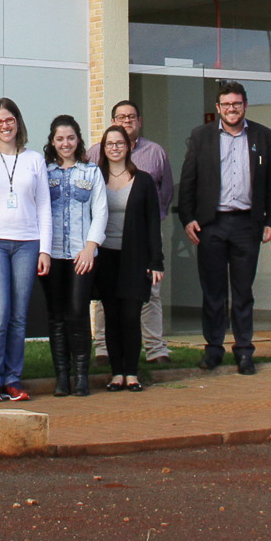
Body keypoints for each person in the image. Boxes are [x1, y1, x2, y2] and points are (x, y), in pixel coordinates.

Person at [173, 80, 271, 374]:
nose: (232, 109)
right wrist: (188, 218)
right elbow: (188, 181)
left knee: (244, 292)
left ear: (244, 105)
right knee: (213, 292)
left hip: (248, 224)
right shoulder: (201, 136)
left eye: (237, 103)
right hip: (212, 225)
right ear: (218, 108)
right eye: (226, 105)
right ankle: (214, 349)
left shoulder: (261, 135)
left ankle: (244, 351)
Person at [0, 97, 50, 403]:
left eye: (9, 120)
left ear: (18, 122)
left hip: (27, 244)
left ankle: (12, 379)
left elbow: (43, 205)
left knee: (18, 316)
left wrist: (44, 249)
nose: (5, 126)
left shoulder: (34, 160)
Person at [93, 124, 163, 390]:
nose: (114, 148)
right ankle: (116, 373)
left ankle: (132, 373)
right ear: (103, 148)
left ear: (129, 146)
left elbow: (152, 223)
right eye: (109, 144)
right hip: (105, 258)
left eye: (119, 143)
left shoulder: (143, 180)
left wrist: (156, 261)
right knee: (111, 316)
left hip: (134, 258)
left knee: (132, 316)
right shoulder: (95, 177)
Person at [42, 115, 108, 398]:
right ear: (52, 142)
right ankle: (61, 377)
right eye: (59, 139)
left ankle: (81, 376)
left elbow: (100, 211)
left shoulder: (92, 173)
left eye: (70, 138)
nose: (65, 143)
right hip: (53, 255)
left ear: (78, 139)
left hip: (82, 254)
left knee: (79, 313)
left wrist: (91, 247)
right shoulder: (44, 173)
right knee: (57, 317)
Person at [108, 99, 175, 365]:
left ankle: (156, 349)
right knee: (107, 296)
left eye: (131, 117)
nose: (127, 121)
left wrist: (151, 224)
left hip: (145, 234)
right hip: (108, 238)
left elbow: (166, 192)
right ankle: (103, 348)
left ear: (140, 121)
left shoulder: (155, 152)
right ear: (113, 121)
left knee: (151, 292)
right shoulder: (96, 153)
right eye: (121, 117)